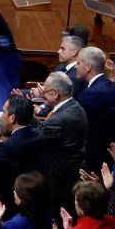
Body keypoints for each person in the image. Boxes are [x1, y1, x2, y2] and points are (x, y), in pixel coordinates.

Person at [35, 71, 88, 209]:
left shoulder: (58, 119)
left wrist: (22, 118)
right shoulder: (75, 107)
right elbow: (44, 127)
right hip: (72, 170)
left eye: (45, 91)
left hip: (58, 178)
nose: (43, 95)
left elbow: (36, 139)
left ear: (55, 93)